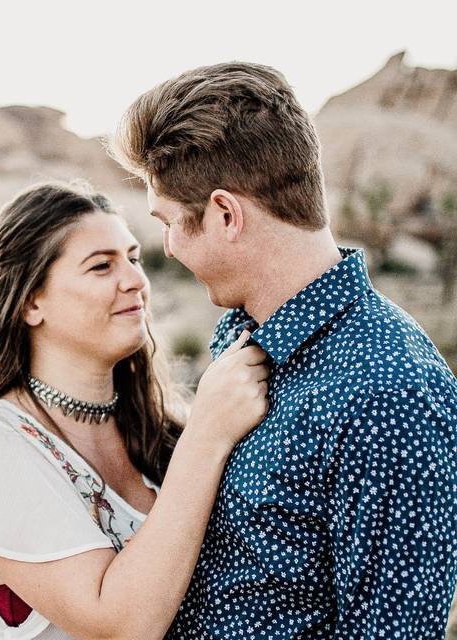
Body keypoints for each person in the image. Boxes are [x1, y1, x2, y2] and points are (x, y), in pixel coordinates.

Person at [109, 61, 457, 639]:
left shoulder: (392, 394)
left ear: (225, 215)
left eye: (170, 223)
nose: (166, 249)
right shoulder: (244, 332)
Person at [0, 180, 270, 640]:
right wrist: (208, 436)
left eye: (134, 258)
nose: (135, 282)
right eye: (102, 266)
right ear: (31, 301)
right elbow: (120, 625)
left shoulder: (153, 427)